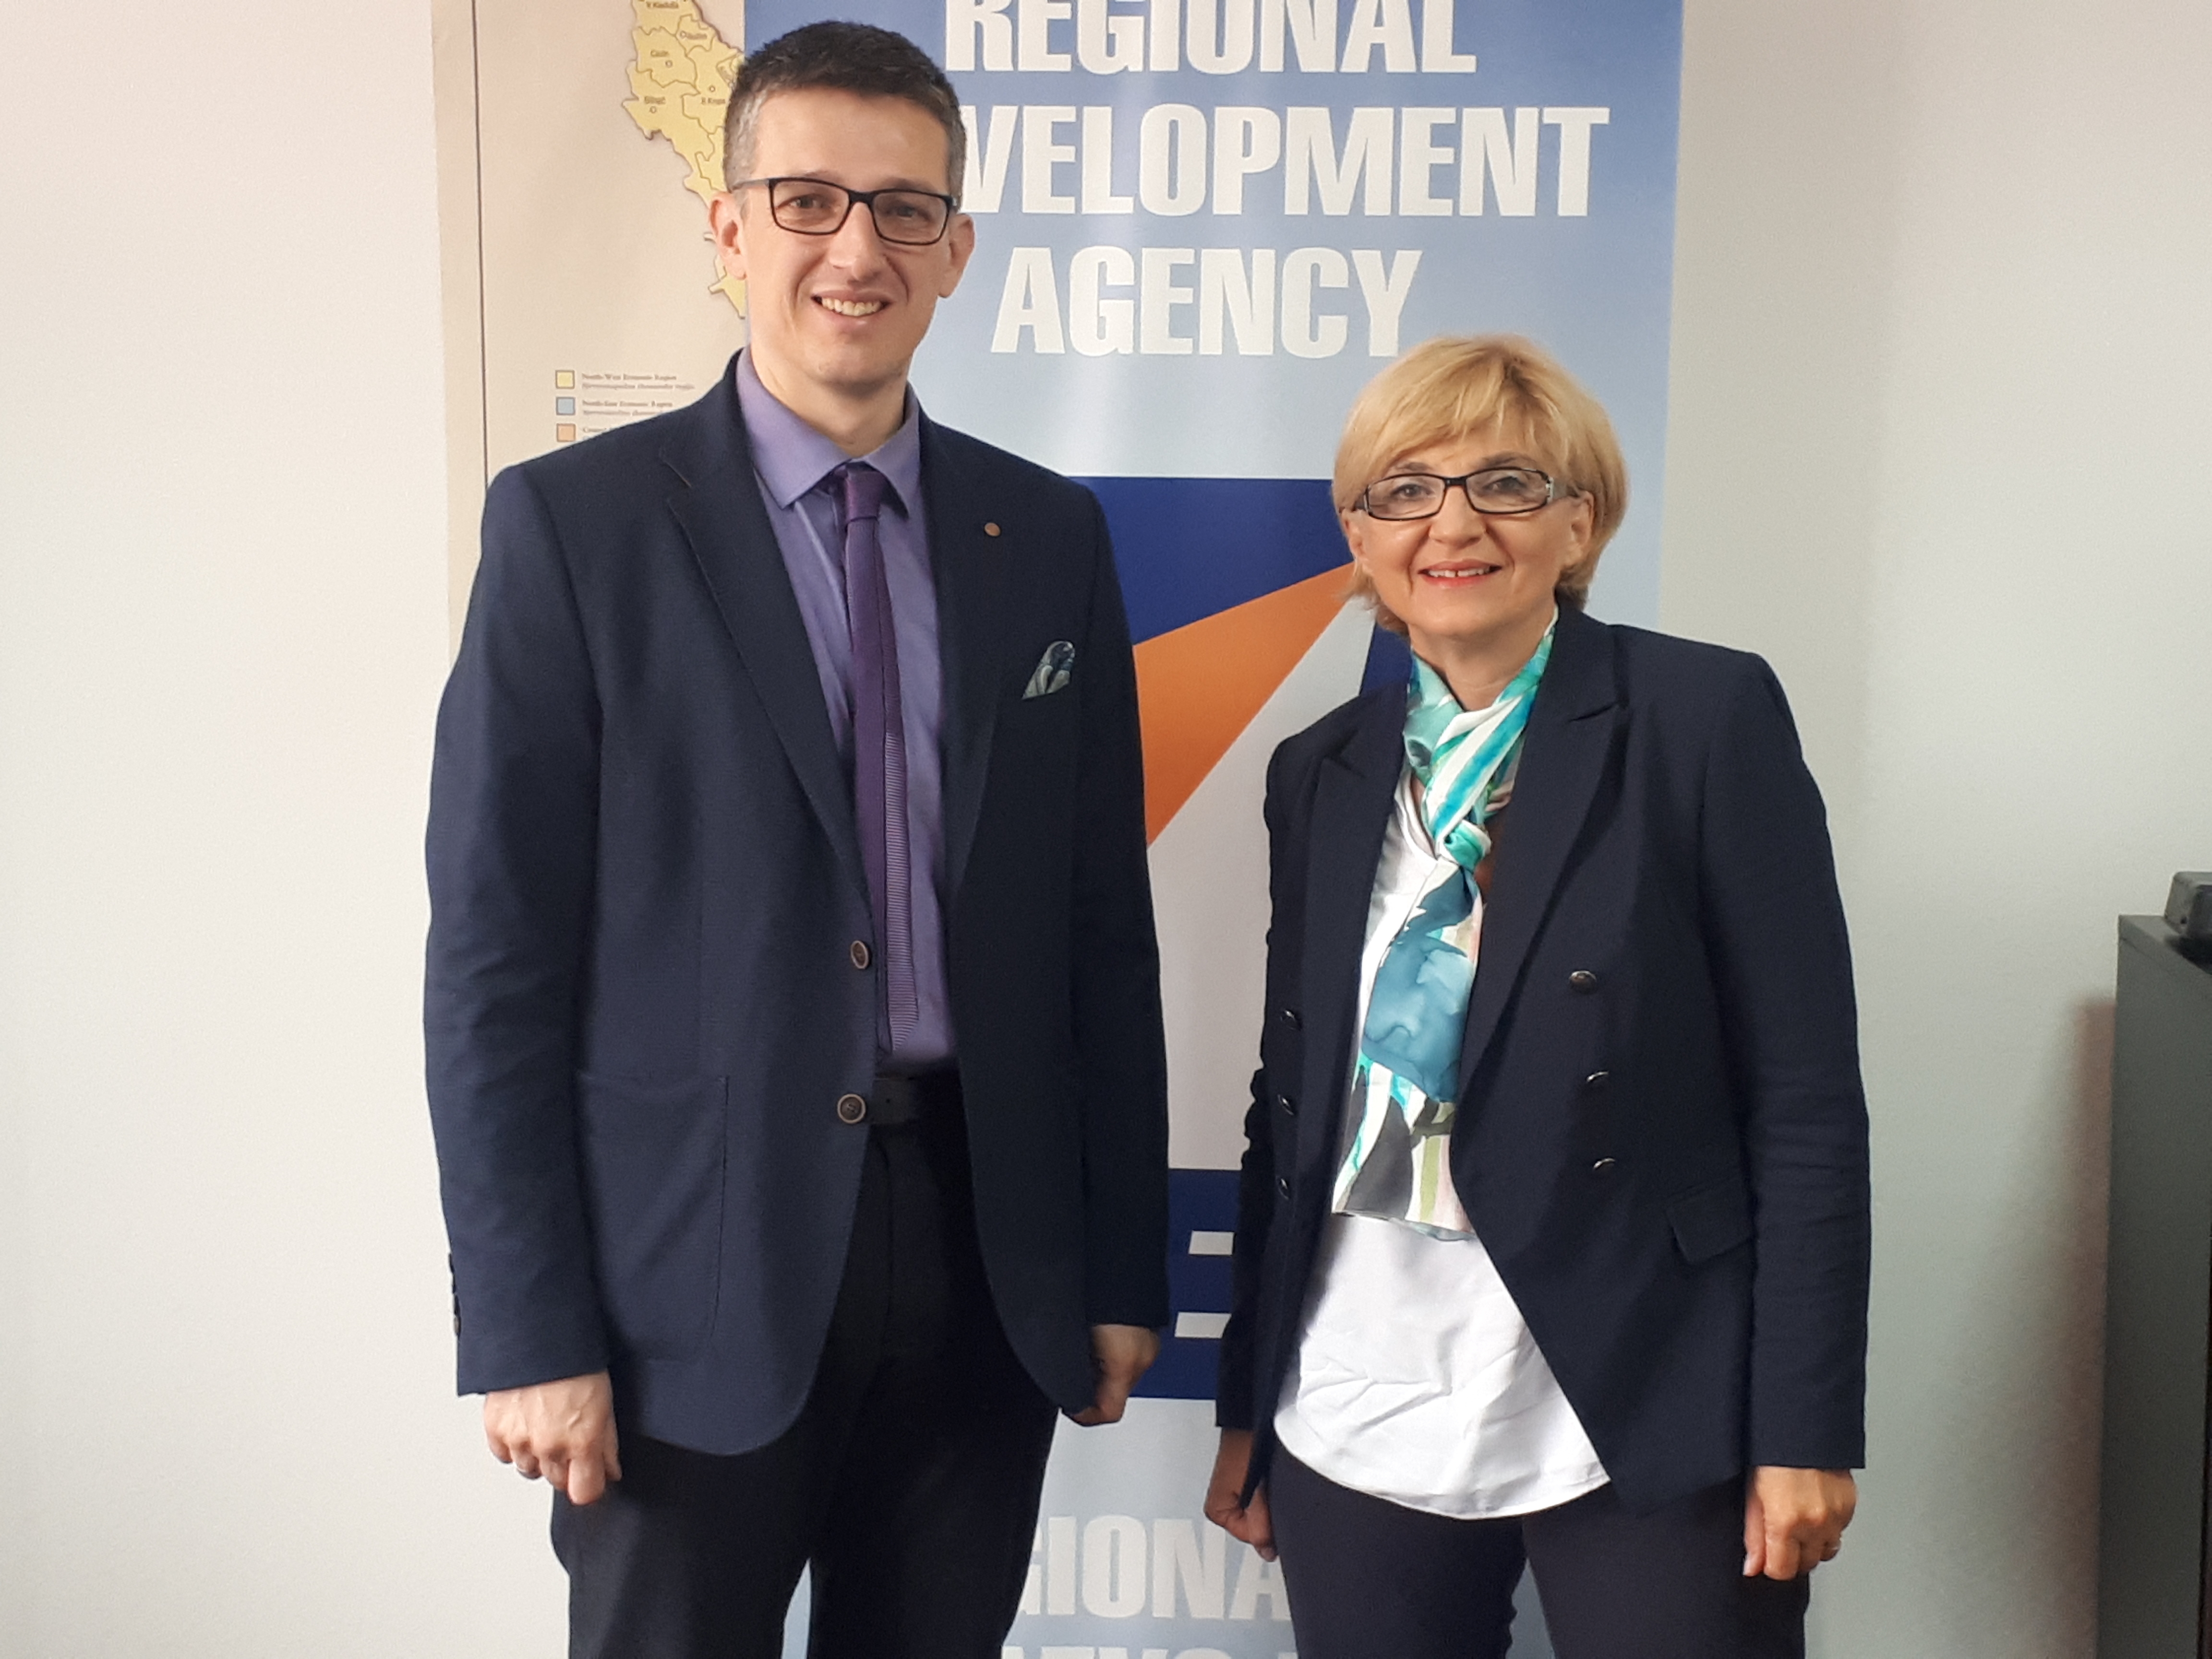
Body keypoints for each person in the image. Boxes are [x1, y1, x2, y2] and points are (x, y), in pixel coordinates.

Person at [423, 23, 1168, 1659]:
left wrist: (1122, 1268)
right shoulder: (577, 529)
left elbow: (1099, 932)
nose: (857, 249)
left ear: (956, 248)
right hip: (685, 1282)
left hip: (984, 1256)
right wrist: (528, 1325)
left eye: (906, 209)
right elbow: (494, 960)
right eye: (809, 199)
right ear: (730, 226)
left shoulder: (1048, 533)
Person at [1202, 336, 1869, 1659]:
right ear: (1360, 536)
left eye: (1505, 484)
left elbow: (1803, 1101)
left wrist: (1803, 1427)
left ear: (1581, 522)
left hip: (1636, 1383)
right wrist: (1248, 1397)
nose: (1453, 524)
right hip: (1360, 1381)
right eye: (1406, 491)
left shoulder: (1699, 718)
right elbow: (1293, 1100)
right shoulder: (1319, 770)